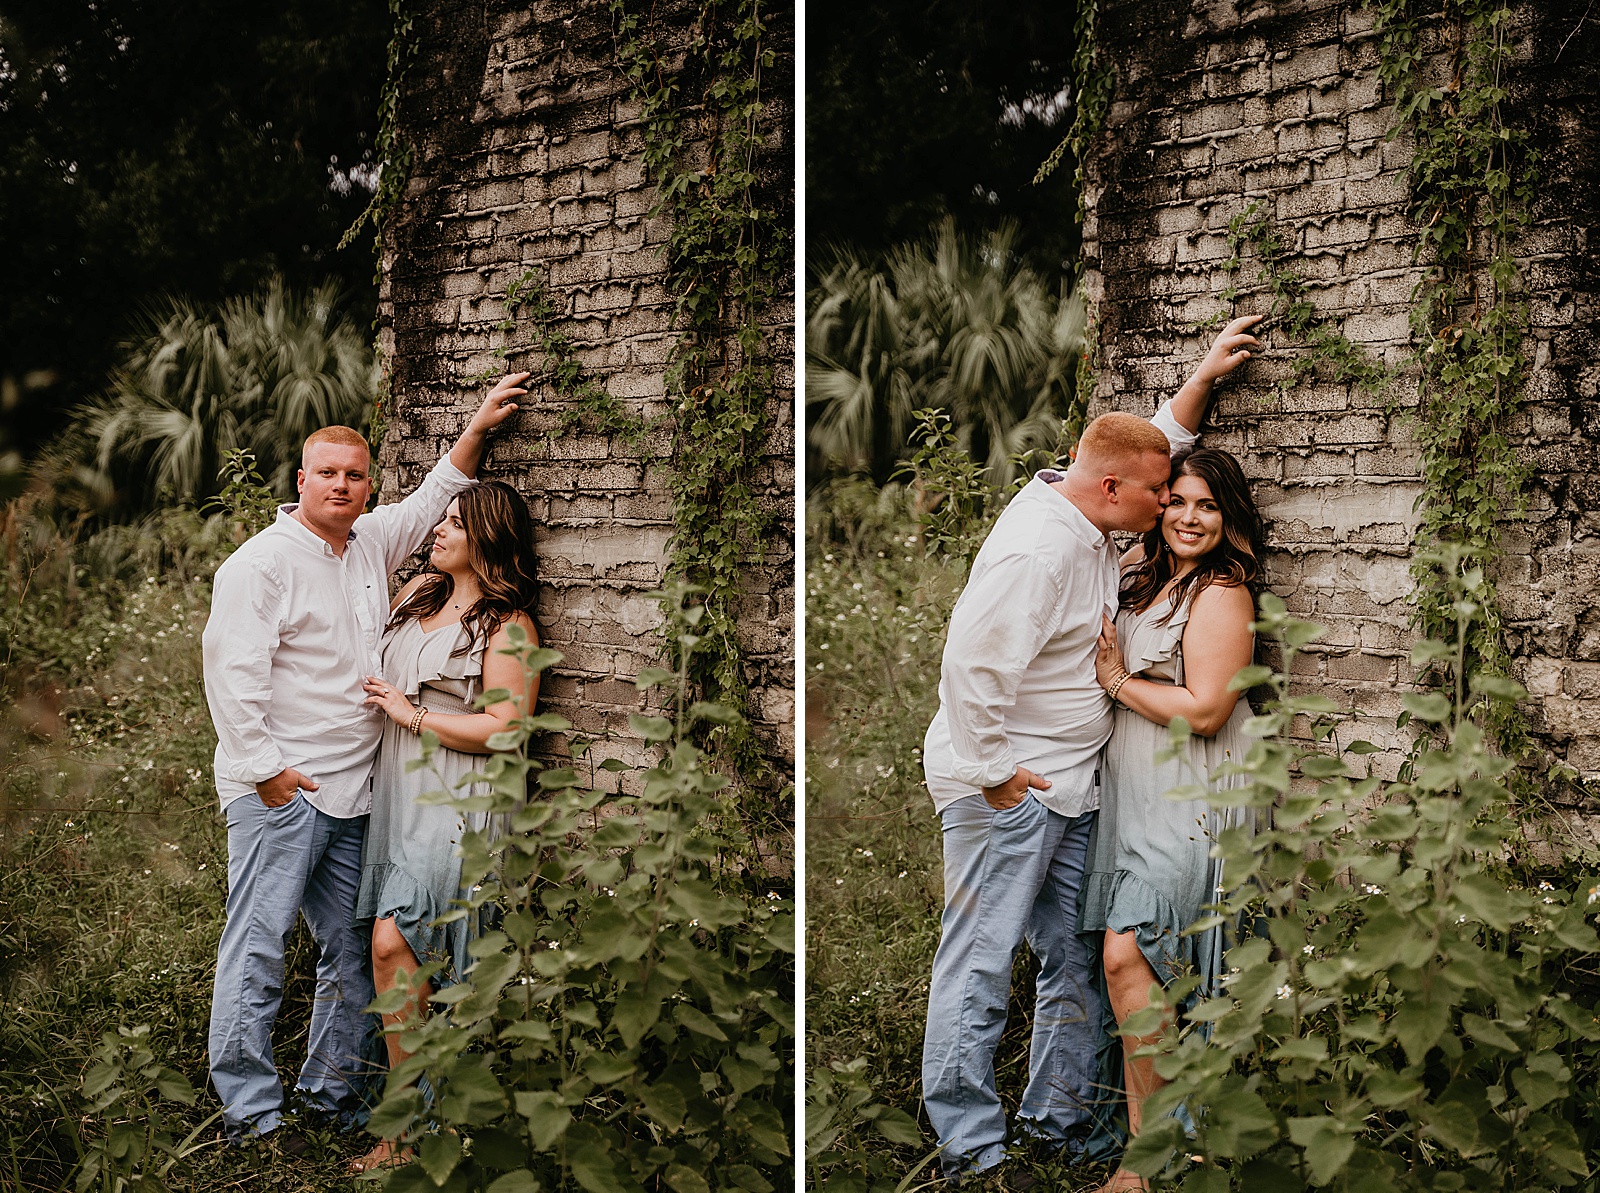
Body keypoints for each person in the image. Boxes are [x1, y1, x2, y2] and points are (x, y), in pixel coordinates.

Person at [918, 316, 1262, 1181]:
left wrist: (1202, 379)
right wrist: (996, 775)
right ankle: (970, 1143)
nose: (1167, 509)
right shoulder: (1038, 548)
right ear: (1114, 490)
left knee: (1071, 958)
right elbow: (970, 666)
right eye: (1159, 497)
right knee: (982, 958)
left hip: (1076, 791)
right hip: (1012, 787)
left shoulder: (1091, 510)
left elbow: (1151, 451)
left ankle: (1059, 1119)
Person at [201, 372, 530, 1148]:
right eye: (327, 474)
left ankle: (330, 1091)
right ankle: (250, 1112)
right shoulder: (262, 563)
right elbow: (230, 670)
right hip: (283, 788)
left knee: (352, 952)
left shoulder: (369, 542)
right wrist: (263, 769)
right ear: (301, 481)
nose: (341, 486)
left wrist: (479, 426)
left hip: (358, 797)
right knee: (257, 944)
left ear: (365, 483)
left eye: (354, 475)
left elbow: (433, 494)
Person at [1082, 448, 1264, 1193]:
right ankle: (1155, 1148)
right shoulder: (1148, 576)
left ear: (1231, 519)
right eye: (1180, 500)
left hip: (1195, 794)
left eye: (1208, 506)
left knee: (1130, 955)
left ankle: (1145, 1156)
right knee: (1139, 968)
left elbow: (1209, 708)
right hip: (1136, 794)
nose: (1190, 517)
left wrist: (1119, 681)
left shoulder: (1222, 594)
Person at [348, 480, 540, 1173]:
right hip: (397, 790)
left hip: (458, 798)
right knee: (401, 955)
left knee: (392, 942)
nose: (439, 529)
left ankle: (409, 1127)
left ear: (486, 536)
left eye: (454, 522)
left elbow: (506, 725)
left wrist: (414, 715)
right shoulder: (416, 598)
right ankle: (430, 1112)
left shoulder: (507, 625)